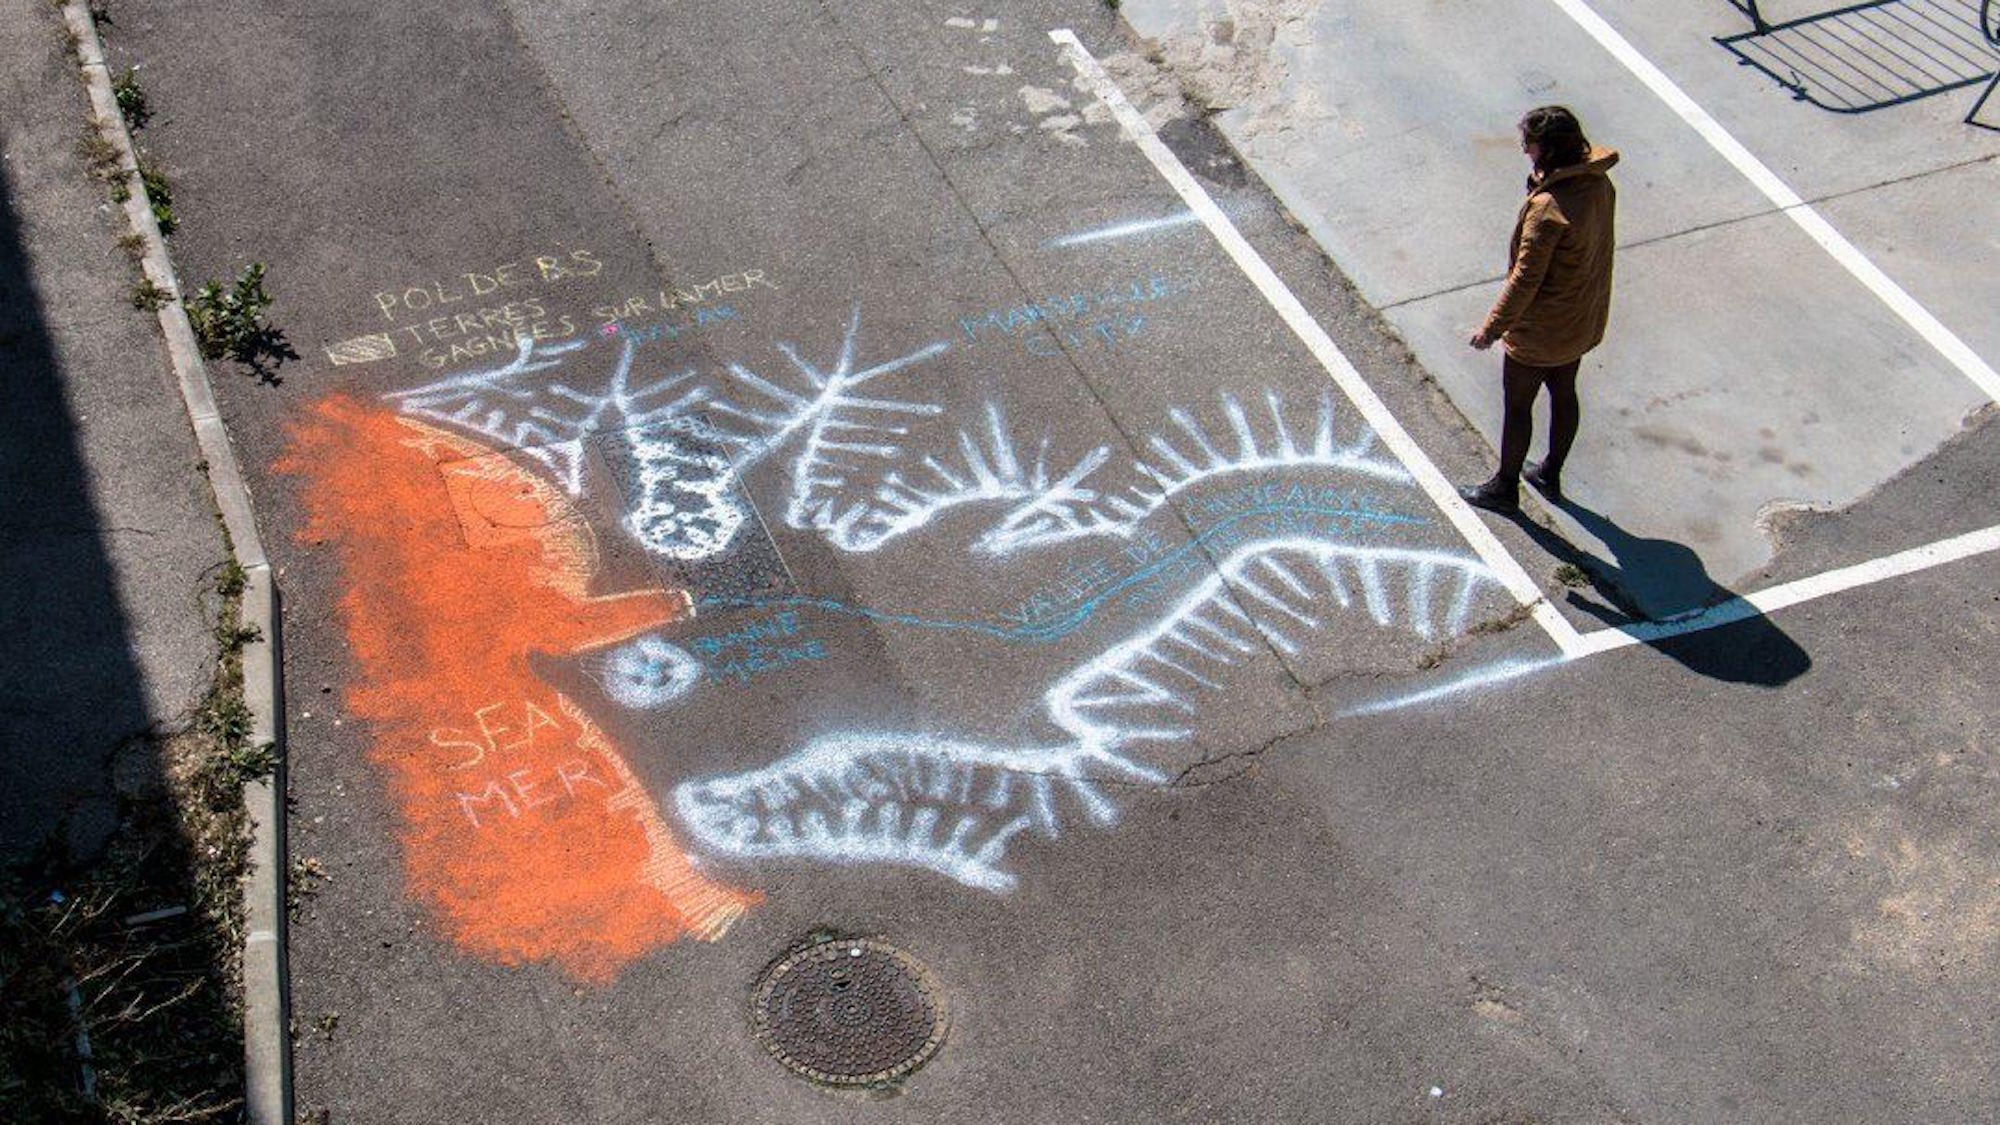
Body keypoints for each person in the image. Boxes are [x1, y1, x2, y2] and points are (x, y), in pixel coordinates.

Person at [1460, 106, 1619, 514]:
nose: (1524, 150)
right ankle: (1550, 472)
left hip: (1541, 328)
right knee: (1564, 392)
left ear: (1548, 149)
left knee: (1518, 405)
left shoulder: (1548, 209)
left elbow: (1525, 279)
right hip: (1578, 318)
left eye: (1528, 143)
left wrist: (1492, 328)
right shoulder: (1599, 184)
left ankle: (1505, 487)